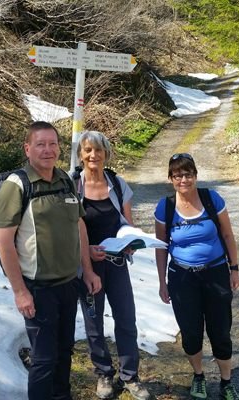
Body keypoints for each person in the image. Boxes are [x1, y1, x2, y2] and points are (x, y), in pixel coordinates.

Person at [0, 121, 101, 400]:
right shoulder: (16, 186)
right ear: (27, 148)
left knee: (64, 352)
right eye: (40, 144)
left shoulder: (65, 179)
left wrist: (87, 271)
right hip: (38, 289)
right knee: (43, 360)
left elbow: (79, 226)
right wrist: (20, 292)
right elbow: (3, 242)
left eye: (53, 144)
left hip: (68, 285)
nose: (48, 150)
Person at [154, 153, 239, 400]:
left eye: (188, 173)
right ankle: (199, 376)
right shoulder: (166, 207)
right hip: (182, 277)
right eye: (178, 175)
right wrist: (162, 282)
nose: (184, 179)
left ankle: (226, 382)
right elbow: (161, 246)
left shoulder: (211, 198)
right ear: (171, 178)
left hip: (215, 272)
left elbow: (227, 235)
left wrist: (233, 268)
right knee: (191, 331)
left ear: (195, 175)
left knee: (220, 330)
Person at [73, 130, 150, 400]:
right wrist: (88, 255)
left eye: (99, 150)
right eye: (87, 150)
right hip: (88, 266)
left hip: (116, 264)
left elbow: (126, 224)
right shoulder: (73, 186)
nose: (93, 155)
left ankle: (130, 376)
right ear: (80, 155)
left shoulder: (117, 184)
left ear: (106, 153)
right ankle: (104, 374)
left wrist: (131, 241)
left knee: (126, 318)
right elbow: (70, 229)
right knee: (94, 323)